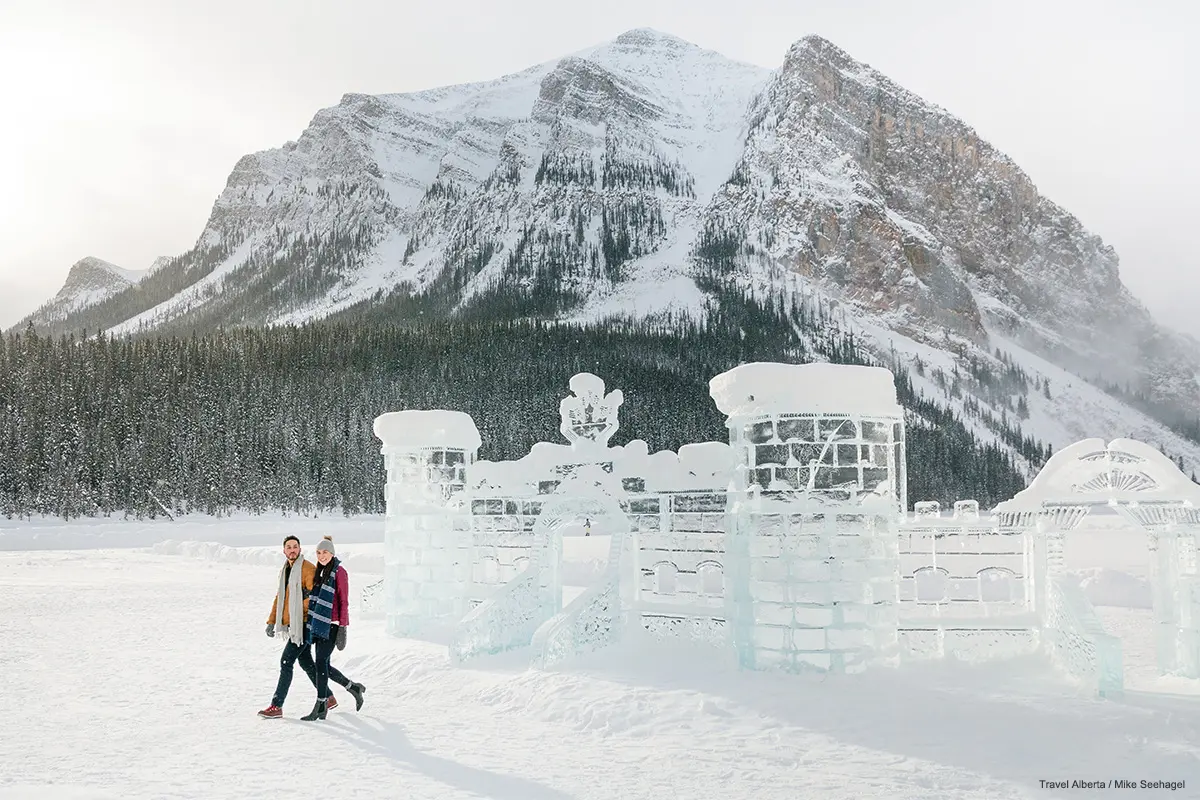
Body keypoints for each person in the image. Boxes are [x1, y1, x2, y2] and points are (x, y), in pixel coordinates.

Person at [299, 536, 366, 722]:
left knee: (320, 662)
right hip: (319, 624)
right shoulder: (319, 573)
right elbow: (316, 595)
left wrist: (343, 627)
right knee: (324, 665)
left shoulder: (340, 572)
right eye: (319, 553)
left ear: (332, 553)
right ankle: (354, 688)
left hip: (333, 625)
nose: (321, 556)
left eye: (325, 552)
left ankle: (321, 704)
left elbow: (344, 601)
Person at [257, 535, 318, 719]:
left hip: (304, 624)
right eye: (289, 547)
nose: (292, 550)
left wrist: (298, 610)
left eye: (295, 546)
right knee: (306, 662)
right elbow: (280, 598)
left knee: (286, 662)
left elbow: (314, 597)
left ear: (300, 549)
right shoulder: (286, 570)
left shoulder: (307, 569)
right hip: (294, 625)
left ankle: (277, 706)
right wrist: (271, 621)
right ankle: (329, 696)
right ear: (284, 551)